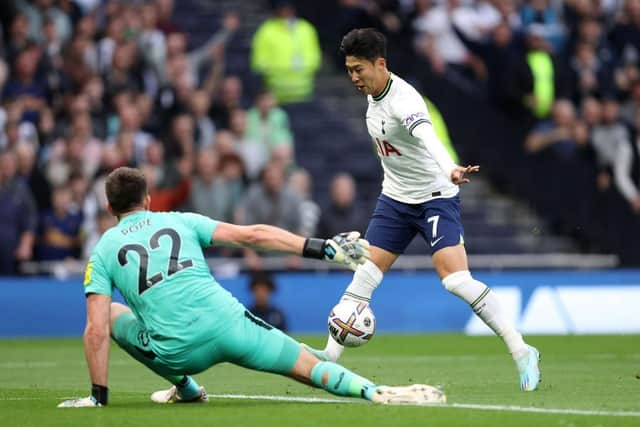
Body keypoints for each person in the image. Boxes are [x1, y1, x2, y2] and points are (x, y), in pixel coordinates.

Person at [57, 166, 444, 408]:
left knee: (110, 314)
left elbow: (94, 330)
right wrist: (322, 248)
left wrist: (98, 396)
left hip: (175, 353)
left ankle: (186, 387)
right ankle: (374, 392)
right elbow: (253, 235)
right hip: (229, 324)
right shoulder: (180, 220)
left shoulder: (103, 250)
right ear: (148, 199)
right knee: (310, 367)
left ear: (109, 208)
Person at [305, 28, 541, 392]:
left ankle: (522, 350)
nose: (353, 77)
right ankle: (331, 355)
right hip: (396, 199)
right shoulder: (372, 95)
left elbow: (428, 137)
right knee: (365, 273)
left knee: (456, 281)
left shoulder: (405, 100)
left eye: (358, 69)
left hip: (435, 196)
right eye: (349, 70)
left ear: (380, 64)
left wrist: (450, 169)